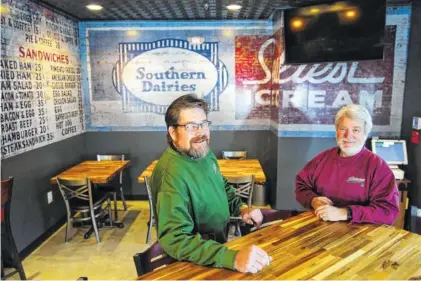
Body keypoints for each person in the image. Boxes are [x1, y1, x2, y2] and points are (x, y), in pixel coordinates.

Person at [150, 94, 271, 274]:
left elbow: (221, 185)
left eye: (204, 124)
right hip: (195, 262)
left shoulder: (204, 154)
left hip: (215, 249)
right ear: (173, 132)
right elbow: (175, 238)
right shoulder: (171, 174)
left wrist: (241, 207)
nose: (201, 133)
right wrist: (231, 257)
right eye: (191, 126)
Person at [295, 104, 399, 225]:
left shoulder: (378, 167)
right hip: (321, 230)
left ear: (365, 133)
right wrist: (313, 200)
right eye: (343, 129)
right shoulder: (322, 159)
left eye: (356, 130)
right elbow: (301, 185)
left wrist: (345, 213)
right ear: (336, 130)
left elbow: (387, 211)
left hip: (363, 236)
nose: (348, 136)